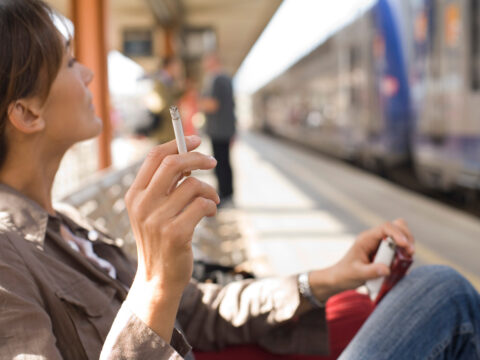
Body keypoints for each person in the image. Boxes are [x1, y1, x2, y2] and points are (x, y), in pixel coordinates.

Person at [0, 1, 479, 359]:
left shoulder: (68, 221)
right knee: (444, 295)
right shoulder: (5, 258)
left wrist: (322, 281)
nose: (87, 74)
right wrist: (154, 284)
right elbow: (167, 299)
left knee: (435, 292)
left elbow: (199, 312)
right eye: (67, 62)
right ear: (25, 111)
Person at [199, 53, 236, 203]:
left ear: (213, 62)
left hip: (218, 130)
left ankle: (224, 194)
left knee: (220, 163)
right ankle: (227, 192)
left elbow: (213, 105)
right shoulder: (226, 79)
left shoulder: (216, 79)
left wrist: (198, 103)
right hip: (225, 129)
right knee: (225, 162)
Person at [138, 56, 183, 143]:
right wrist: (177, 108)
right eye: (176, 67)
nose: (178, 70)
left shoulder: (169, 82)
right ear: (169, 66)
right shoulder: (160, 82)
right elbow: (160, 106)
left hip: (170, 130)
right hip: (164, 131)